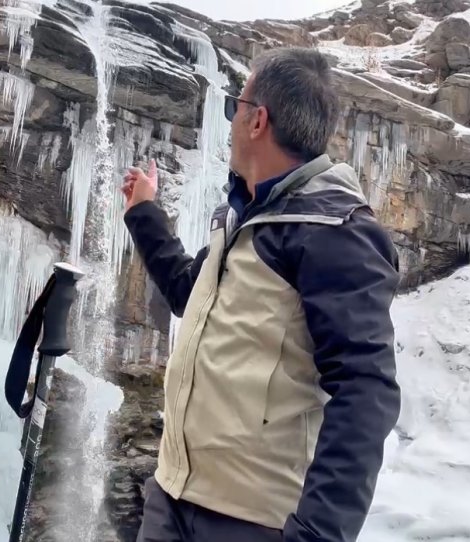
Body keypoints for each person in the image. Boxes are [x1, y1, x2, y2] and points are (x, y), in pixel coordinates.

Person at [120, 46, 402, 542]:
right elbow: (190, 295)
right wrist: (145, 213)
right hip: (172, 496)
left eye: (235, 106)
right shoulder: (244, 215)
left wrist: (318, 533)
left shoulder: (335, 231)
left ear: (257, 121)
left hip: (251, 520)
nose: (230, 121)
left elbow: (365, 388)